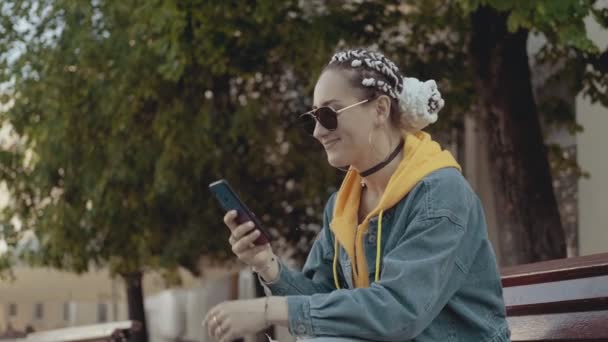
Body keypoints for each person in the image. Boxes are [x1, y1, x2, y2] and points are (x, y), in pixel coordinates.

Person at [203, 48, 510, 342]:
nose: (317, 132)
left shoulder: (440, 194)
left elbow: (400, 310)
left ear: (380, 109)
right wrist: (267, 265)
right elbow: (323, 305)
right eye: (313, 118)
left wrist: (269, 309)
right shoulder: (342, 206)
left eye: (328, 114)